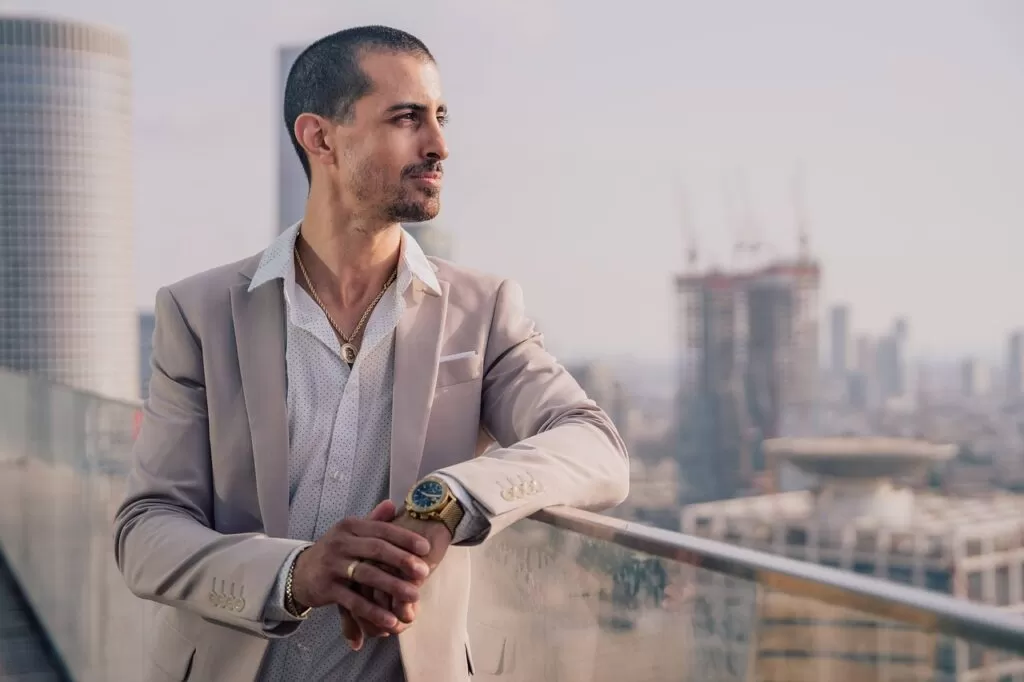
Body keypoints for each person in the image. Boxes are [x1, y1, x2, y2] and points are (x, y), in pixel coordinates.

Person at [113, 24, 629, 682]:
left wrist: (450, 500)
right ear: (320, 136)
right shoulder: (200, 311)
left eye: (441, 117)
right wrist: (295, 573)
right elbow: (146, 530)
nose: (439, 145)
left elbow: (596, 447)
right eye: (407, 118)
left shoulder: (484, 309)